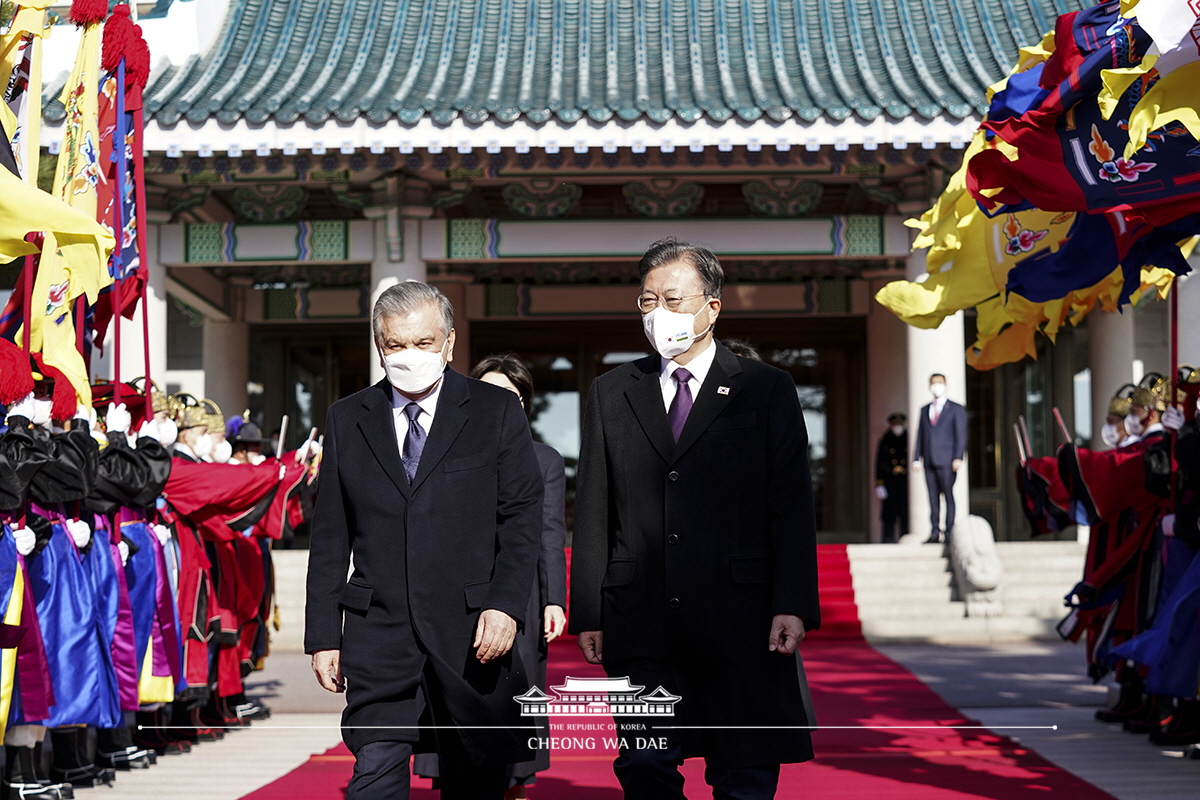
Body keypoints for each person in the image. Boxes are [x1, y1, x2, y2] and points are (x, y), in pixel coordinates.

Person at [570, 238, 820, 799]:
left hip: (742, 617)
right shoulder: (613, 392)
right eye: (648, 301)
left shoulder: (766, 388)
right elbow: (593, 506)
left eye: (674, 300)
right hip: (640, 618)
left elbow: (791, 505)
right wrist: (589, 609)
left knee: (744, 773)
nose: (660, 314)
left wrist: (794, 602)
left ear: (712, 307)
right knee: (645, 769)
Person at [305, 281, 544, 800]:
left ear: (450, 343)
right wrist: (324, 634)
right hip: (377, 631)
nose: (409, 356)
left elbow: (521, 518)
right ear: (378, 344)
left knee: (474, 779)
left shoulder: (494, 411)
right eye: (395, 345)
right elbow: (330, 534)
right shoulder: (348, 417)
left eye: (424, 343)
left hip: (472, 635)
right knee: (373, 773)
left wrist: (505, 605)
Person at [414, 352, 567, 799]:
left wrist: (553, 598)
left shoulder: (544, 459)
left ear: (525, 404)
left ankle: (515, 784)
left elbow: (548, 534)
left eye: (511, 397)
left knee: (513, 704)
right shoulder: (438, 451)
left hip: (519, 598)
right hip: (452, 597)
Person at [912, 374, 966, 544]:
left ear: (945, 385)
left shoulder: (956, 408)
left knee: (948, 496)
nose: (936, 386)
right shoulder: (924, 409)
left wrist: (958, 457)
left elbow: (961, 435)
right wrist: (916, 458)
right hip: (929, 460)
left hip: (947, 460)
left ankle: (949, 531)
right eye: (933, 383)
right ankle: (935, 531)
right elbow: (920, 435)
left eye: (939, 383)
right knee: (933, 498)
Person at [875, 412, 908, 544]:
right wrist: (879, 483)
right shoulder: (885, 440)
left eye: (900, 424)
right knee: (889, 514)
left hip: (904, 482)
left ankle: (905, 538)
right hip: (889, 481)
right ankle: (887, 540)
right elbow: (879, 463)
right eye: (895, 424)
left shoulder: (908, 438)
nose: (898, 426)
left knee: (904, 512)